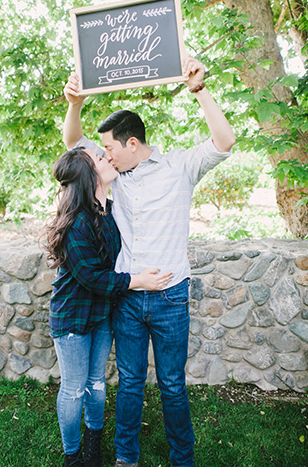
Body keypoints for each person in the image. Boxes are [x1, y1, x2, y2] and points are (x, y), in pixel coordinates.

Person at [63, 55, 235, 467]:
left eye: (108, 148)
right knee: (131, 384)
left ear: (132, 145)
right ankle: (126, 458)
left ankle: (183, 459)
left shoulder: (179, 167)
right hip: (127, 296)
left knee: (173, 385)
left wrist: (200, 90)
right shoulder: (113, 175)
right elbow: (73, 143)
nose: (103, 155)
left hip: (171, 297)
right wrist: (75, 103)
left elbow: (224, 142)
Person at [46, 148, 172, 467]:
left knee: (97, 384)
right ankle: (73, 457)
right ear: (90, 175)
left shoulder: (110, 211)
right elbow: (92, 278)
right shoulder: (76, 222)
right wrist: (137, 281)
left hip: (102, 313)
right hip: (73, 315)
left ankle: (93, 451)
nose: (108, 159)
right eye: (100, 158)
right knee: (74, 389)